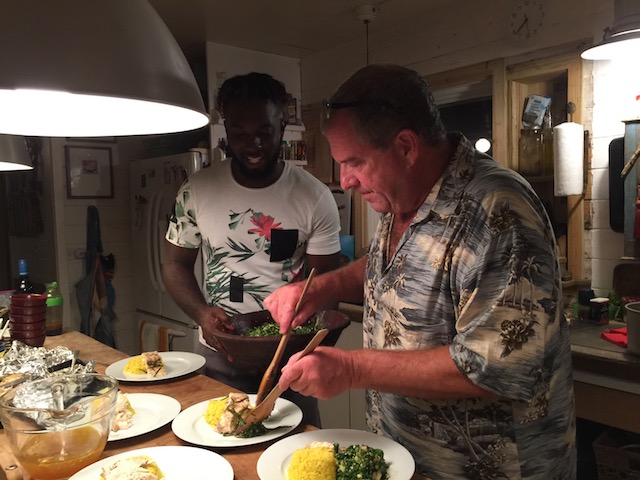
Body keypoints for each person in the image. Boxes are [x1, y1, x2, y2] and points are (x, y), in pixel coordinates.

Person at [265, 64, 576, 479]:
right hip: (411, 460)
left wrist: (350, 369)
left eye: (354, 161)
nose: (346, 180)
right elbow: (395, 267)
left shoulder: (497, 210)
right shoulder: (403, 196)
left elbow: (494, 366)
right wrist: (323, 287)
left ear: (406, 146)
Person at [162, 72, 341, 427]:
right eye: (240, 134)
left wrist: (299, 339)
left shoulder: (314, 197)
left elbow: (326, 284)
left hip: (290, 361)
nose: (253, 145)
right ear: (226, 128)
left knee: (297, 460)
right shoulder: (196, 190)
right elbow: (174, 265)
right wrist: (201, 314)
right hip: (218, 358)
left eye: (264, 132)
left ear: (283, 124)